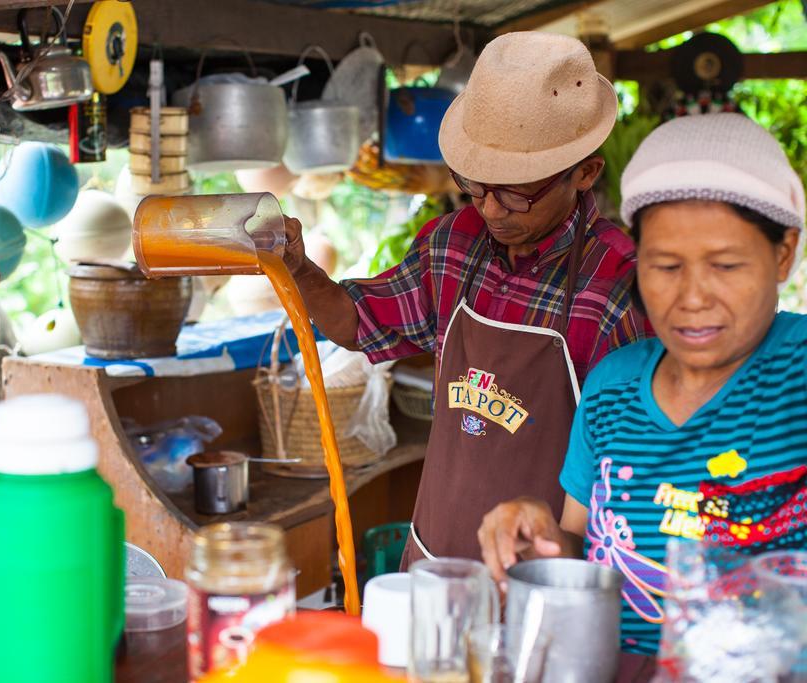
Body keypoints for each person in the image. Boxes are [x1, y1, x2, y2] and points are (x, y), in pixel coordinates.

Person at [283, 31, 649, 564]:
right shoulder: (451, 244)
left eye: (517, 193)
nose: (492, 210)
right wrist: (298, 268)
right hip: (433, 557)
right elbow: (358, 322)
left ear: (585, 173)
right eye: (476, 186)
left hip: (542, 581)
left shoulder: (619, 285)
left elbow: (633, 469)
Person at [477, 112, 807, 659]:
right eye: (665, 265)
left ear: (783, 254)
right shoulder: (613, 386)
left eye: (725, 265)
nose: (693, 296)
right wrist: (539, 536)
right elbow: (581, 549)